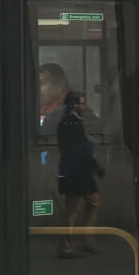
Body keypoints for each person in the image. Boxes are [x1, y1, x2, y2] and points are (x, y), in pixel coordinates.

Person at [57, 91, 104, 257]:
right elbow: (78, 149)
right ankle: (67, 245)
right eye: (82, 103)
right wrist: (95, 165)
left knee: (89, 203)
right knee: (73, 209)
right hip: (77, 172)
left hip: (77, 171)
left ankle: (84, 241)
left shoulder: (72, 121)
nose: (84, 106)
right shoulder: (71, 123)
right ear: (74, 104)